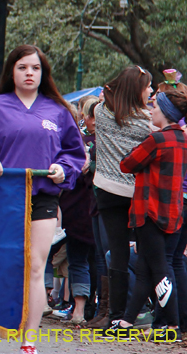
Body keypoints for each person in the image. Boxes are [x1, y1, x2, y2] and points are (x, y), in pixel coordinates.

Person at [0, 45, 85, 354]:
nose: (30, 73)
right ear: (11, 72)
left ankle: (28, 342)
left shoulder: (58, 110)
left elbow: (75, 153)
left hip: (42, 197)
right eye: (23, 67)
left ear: (43, 74)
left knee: (36, 265)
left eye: (36, 68)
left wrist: (63, 168)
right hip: (0, 197)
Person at [106, 91, 187, 341]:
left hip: (149, 212)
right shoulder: (182, 140)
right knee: (145, 269)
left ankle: (170, 326)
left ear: (165, 113)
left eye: (154, 107)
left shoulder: (157, 139)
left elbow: (126, 164)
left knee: (161, 268)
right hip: (173, 211)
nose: (151, 111)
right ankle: (128, 322)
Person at [93, 66, 153, 330]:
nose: (150, 91)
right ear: (136, 90)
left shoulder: (101, 114)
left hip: (106, 191)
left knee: (116, 254)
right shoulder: (148, 125)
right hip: (137, 195)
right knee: (145, 252)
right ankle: (138, 312)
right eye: (147, 86)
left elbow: (105, 92)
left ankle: (114, 315)